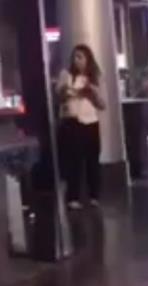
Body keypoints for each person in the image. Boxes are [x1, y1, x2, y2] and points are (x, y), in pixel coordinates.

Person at [56, 44, 105, 210]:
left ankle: (94, 195)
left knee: (92, 160)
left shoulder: (94, 77)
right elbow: (59, 96)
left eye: (80, 57)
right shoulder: (66, 75)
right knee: (73, 161)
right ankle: (73, 196)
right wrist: (68, 91)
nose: (77, 60)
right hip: (72, 122)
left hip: (91, 122)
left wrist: (92, 93)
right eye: (75, 57)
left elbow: (102, 104)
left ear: (88, 60)